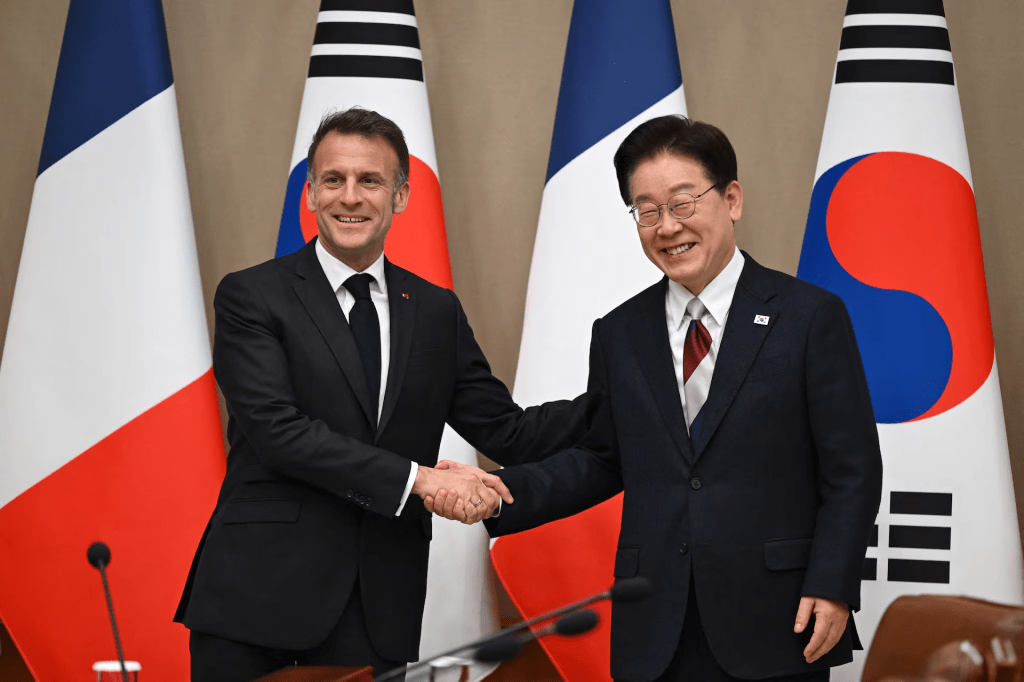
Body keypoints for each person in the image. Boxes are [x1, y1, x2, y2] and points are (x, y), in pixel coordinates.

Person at [429, 115, 883, 682]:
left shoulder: (809, 317)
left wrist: (832, 584)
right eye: (647, 210)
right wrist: (500, 494)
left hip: (775, 615)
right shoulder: (620, 332)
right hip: (655, 623)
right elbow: (603, 459)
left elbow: (853, 470)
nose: (667, 226)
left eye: (684, 202)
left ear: (732, 199)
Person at [174, 108, 588, 682]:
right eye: (333, 180)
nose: (350, 197)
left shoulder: (436, 311)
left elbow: (509, 433)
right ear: (312, 193)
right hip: (257, 602)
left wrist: (630, 396)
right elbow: (278, 433)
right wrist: (421, 479)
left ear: (400, 196)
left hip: (377, 608)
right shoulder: (252, 297)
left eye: (370, 181)